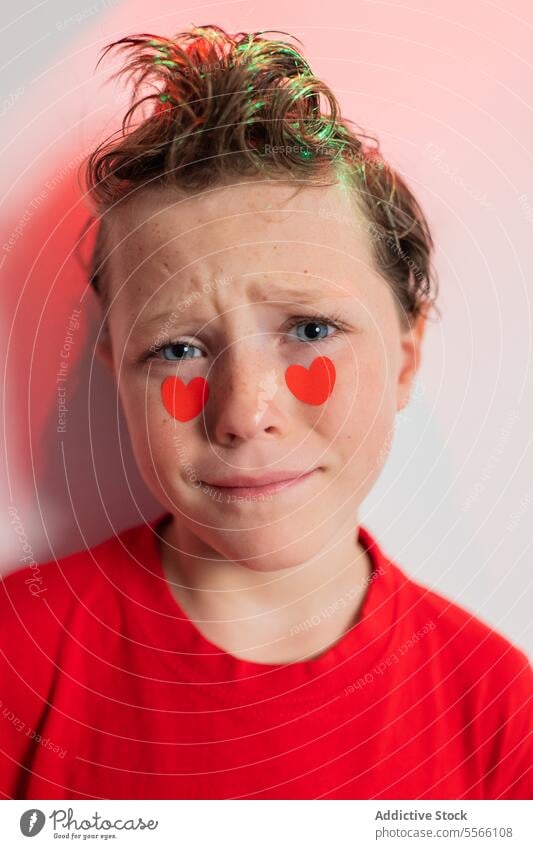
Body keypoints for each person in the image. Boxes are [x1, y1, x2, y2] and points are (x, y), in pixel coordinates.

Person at [0, 24, 530, 801]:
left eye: (310, 330)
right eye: (176, 348)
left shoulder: (497, 712)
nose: (245, 413)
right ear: (117, 369)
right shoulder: (16, 653)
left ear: (405, 356)